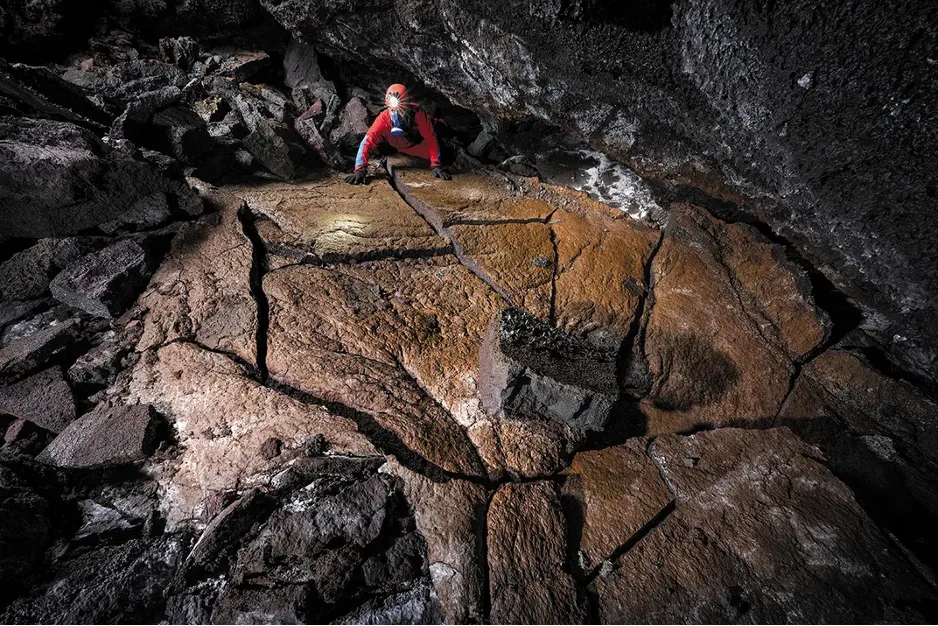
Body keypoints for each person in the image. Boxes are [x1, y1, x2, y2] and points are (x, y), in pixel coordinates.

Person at [345, 83, 452, 184]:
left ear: (407, 107)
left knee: (441, 133)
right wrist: (360, 169)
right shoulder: (383, 120)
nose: (395, 114)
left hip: (416, 139)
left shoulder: (417, 114)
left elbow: (431, 138)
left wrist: (436, 165)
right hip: (400, 145)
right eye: (392, 110)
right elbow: (367, 141)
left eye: (400, 110)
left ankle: (446, 127)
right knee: (385, 148)